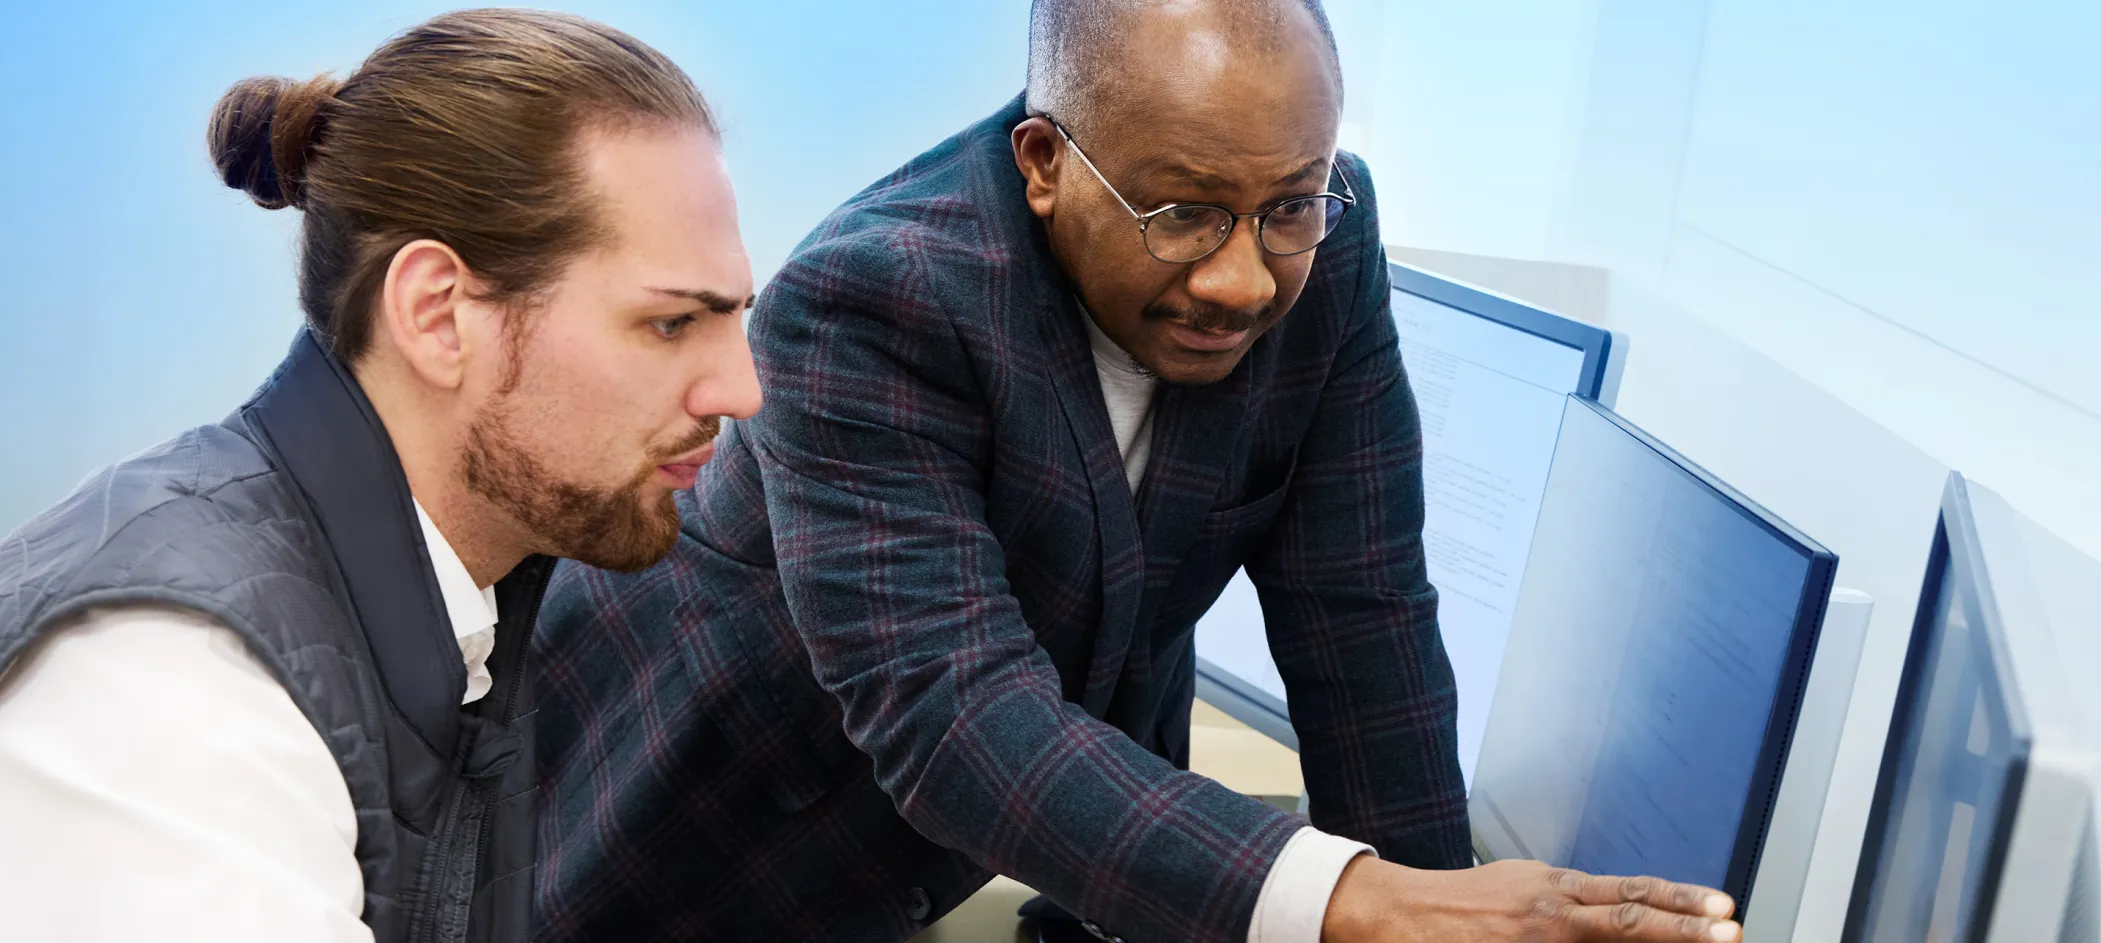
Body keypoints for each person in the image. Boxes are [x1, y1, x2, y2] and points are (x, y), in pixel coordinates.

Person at [532, 1, 1743, 941]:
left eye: (1286, 207)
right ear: (1044, 160)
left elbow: (1360, 619)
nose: (1242, 279)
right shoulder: (872, 298)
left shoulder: (1330, 232)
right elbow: (954, 714)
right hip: (719, 826)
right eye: (1181, 214)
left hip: (1033, 843)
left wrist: (1435, 907)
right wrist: (1358, 901)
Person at [0, 10, 757, 942]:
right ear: (439, 315)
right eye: (674, 323)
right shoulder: (170, 692)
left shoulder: (473, 619)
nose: (743, 389)